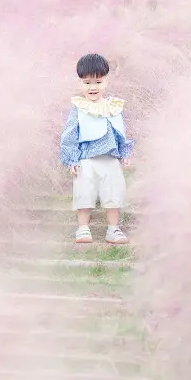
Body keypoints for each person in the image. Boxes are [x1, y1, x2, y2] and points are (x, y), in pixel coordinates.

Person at [59, 53, 134, 244]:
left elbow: (119, 130)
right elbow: (70, 134)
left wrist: (124, 152)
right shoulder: (79, 107)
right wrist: (72, 159)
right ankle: (83, 228)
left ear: (106, 81)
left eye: (98, 82)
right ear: (79, 82)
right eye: (87, 83)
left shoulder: (113, 106)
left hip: (109, 157)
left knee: (113, 191)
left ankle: (113, 229)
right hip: (86, 159)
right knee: (84, 191)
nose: (93, 87)